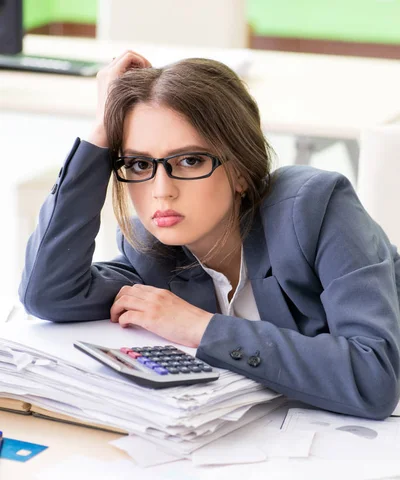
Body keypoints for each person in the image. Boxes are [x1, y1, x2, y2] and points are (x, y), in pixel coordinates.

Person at [19, 50, 400, 420]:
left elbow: (374, 376)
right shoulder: (152, 249)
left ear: (239, 171)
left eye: (189, 160)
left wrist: (199, 326)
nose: (161, 191)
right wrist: (102, 130)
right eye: (138, 164)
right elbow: (49, 294)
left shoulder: (314, 208)